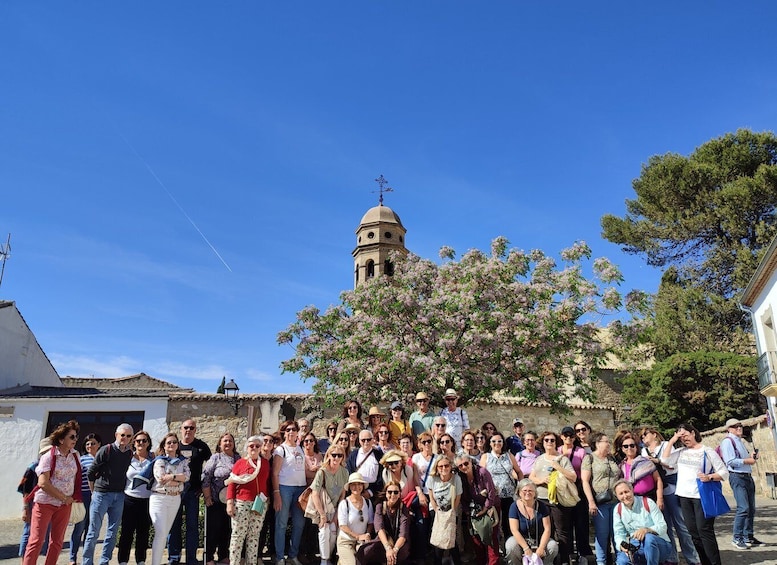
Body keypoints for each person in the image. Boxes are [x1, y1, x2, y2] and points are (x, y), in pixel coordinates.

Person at [661, 423, 728, 565]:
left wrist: (709, 477)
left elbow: (724, 472)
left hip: (701, 497)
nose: (684, 439)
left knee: (704, 531)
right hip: (684, 496)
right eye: (681, 437)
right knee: (693, 532)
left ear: (693, 433)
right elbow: (665, 460)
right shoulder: (681, 452)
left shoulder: (707, 451)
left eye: (685, 435)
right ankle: (704, 562)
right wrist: (673, 440)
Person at [22, 420, 82, 565]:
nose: (75, 440)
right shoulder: (48, 456)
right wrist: (63, 497)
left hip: (65, 505)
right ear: (61, 439)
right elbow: (43, 483)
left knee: (57, 541)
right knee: (36, 540)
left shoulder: (75, 455)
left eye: (76, 436)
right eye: (71, 437)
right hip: (45, 503)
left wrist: (72, 498)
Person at [641, 426, 699, 565]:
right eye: (641, 436)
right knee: (665, 526)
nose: (643, 437)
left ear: (654, 434)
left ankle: (692, 558)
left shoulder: (667, 445)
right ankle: (672, 557)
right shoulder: (644, 451)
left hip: (672, 488)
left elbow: (673, 465)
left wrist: (658, 461)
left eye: (645, 434)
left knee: (681, 525)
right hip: (657, 491)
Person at [83, 423, 134, 565]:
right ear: (116, 435)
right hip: (102, 495)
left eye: (128, 435)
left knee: (112, 532)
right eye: (122, 435)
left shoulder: (129, 453)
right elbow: (91, 472)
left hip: (119, 496)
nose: (125, 438)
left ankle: (104, 561)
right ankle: (87, 562)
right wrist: (94, 492)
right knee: (93, 532)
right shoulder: (106, 450)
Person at [529, 431, 577, 565]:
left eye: (552, 440)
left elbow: (573, 477)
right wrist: (540, 480)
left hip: (557, 500)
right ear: (542, 443)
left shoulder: (562, 459)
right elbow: (532, 477)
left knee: (561, 531)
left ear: (556, 443)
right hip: (541, 499)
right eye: (546, 440)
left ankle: (564, 561)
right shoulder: (539, 459)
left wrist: (558, 467)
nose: (549, 442)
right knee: (544, 531)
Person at [169, 419, 212, 565]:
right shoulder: (175, 445)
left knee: (192, 527)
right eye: (186, 427)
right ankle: (174, 558)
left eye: (191, 428)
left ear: (195, 430)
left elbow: (210, 467)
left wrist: (203, 485)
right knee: (174, 525)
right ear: (181, 429)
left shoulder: (201, 447)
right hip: (175, 492)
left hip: (193, 493)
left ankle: (191, 559)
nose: (188, 430)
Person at [225, 436, 269, 565]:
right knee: (238, 536)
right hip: (242, 503)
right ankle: (234, 562)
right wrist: (229, 502)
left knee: (254, 536)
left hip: (259, 503)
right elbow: (232, 483)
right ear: (247, 448)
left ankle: (251, 562)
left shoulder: (265, 463)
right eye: (251, 446)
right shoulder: (240, 463)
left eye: (257, 446)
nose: (254, 448)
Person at [720, 417, 761, 549]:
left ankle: (748, 536)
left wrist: (752, 457)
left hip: (747, 476)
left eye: (740, 425)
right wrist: (747, 461)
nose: (739, 427)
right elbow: (730, 461)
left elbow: (744, 458)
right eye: (735, 426)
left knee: (751, 509)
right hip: (737, 477)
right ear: (729, 429)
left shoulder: (740, 441)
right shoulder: (727, 442)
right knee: (743, 508)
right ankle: (737, 538)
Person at [149, 433, 191, 565]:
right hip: (159, 498)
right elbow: (161, 479)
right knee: (161, 533)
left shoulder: (183, 461)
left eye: (174, 442)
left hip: (175, 499)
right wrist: (178, 479)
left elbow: (187, 476)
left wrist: (172, 477)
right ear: (164, 446)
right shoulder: (160, 461)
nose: (171, 445)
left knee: (165, 532)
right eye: (169, 443)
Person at [612, 480, 674, 565]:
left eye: (626, 492)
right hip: (636, 545)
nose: (625, 496)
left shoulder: (647, 502)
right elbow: (618, 533)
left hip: (660, 544)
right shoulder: (617, 509)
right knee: (622, 561)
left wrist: (647, 530)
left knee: (648, 538)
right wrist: (621, 544)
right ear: (617, 496)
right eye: (621, 494)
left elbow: (662, 526)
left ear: (632, 490)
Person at [581, 433, 620, 565]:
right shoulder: (589, 458)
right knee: (602, 534)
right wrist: (591, 502)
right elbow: (585, 481)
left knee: (617, 533)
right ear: (597, 443)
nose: (608, 444)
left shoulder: (612, 458)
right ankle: (601, 562)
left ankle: (621, 560)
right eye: (606, 441)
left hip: (616, 501)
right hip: (600, 502)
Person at [202, 433, 241, 565]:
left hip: (233, 501)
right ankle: (209, 558)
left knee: (227, 530)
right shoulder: (215, 458)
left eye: (230, 441)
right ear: (220, 444)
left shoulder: (238, 458)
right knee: (214, 530)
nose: (228, 443)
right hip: (215, 500)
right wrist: (207, 497)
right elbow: (206, 477)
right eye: (225, 441)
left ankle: (224, 555)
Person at [117, 430, 155, 565]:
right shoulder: (128, 458)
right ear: (134, 442)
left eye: (144, 440)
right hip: (129, 499)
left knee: (143, 532)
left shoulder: (153, 459)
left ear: (148, 443)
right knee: (126, 532)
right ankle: (123, 560)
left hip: (146, 500)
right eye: (138, 440)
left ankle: (141, 560)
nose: (141, 443)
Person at [272, 420, 306, 565]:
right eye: (287, 430)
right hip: (285, 488)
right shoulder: (280, 450)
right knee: (281, 523)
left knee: (299, 524)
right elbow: (275, 474)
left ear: (297, 432)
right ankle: (280, 557)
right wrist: (277, 493)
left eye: (293, 429)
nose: (291, 432)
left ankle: (293, 555)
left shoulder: (300, 449)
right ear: (284, 433)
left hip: (300, 489)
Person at [456, 455, 500, 565]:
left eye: (466, 463)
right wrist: (468, 511)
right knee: (476, 538)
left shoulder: (482, 472)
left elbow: (491, 492)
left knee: (490, 538)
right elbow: (462, 497)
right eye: (460, 465)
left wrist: (486, 508)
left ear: (471, 462)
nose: (464, 467)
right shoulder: (460, 477)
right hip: (473, 510)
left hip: (489, 507)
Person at [558, 425, 593, 562]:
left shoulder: (581, 452)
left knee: (580, 521)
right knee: (565, 522)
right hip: (563, 489)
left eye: (571, 436)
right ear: (561, 437)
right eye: (565, 435)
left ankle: (582, 552)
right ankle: (568, 552)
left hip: (577, 488)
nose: (568, 438)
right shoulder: (558, 450)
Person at [505, 479, 559, 565]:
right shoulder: (514, 507)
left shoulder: (542, 506)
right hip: (522, 541)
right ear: (519, 492)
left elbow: (547, 529)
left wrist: (541, 547)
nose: (527, 493)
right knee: (510, 545)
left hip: (540, 540)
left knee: (552, 546)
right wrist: (526, 548)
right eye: (524, 490)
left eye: (530, 490)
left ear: (535, 493)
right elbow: (514, 530)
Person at [311, 445, 349, 565]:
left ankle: (328, 558)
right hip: (322, 507)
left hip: (335, 507)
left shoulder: (344, 472)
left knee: (333, 533)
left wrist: (338, 513)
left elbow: (343, 494)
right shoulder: (322, 472)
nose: (336, 458)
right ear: (328, 455)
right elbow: (315, 494)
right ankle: (323, 560)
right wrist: (322, 514)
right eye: (334, 455)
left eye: (340, 455)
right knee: (324, 531)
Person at [480, 431, 522, 541]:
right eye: (494, 441)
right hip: (493, 496)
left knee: (509, 523)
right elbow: (480, 476)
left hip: (509, 495)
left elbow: (519, 472)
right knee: (494, 522)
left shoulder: (509, 456)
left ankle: (509, 546)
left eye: (499, 441)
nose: (497, 443)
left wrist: (521, 486)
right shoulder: (486, 457)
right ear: (489, 443)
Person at [357, 481, 411, 565]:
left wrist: (394, 550)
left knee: (401, 554)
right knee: (365, 551)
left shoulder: (403, 509)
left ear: (400, 494)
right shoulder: (380, 506)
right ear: (386, 493)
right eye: (390, 492)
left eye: (396, 492)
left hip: (398, 542)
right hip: (383, 541)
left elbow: (403, 534)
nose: (392, 495)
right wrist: (388, 548)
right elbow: (379, 528)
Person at [69, 433, 101, 565]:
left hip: (98, 496)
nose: (90, 446)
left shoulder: (103, 459)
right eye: (87, 444)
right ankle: (72, 557)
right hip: (84, 496)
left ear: (99, 445)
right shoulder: (81, 460)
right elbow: (75, 479)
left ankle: (87, 559)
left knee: (91, 529)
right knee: (79, 527)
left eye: (93, 443)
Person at [427, 455, 462, 565]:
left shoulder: (456, 478)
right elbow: (431, 495)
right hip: (437, 511)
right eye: (440, 466)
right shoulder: (432, 479)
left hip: (451, 510)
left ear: (450, 466)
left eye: (446, 465)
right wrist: (436, 509)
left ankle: (456, 561)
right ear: (437, 468)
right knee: (439, 539)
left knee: (450, 538)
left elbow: (458, 497)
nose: (443, 468)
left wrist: (451, 512)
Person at [336, 472, 375, 565]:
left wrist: (368, 534)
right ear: (349, 487)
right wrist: (357, 536)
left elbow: (370, 522)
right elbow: (342, 526)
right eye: (353, 485)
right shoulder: (344, 503)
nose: (356, 487)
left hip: (361, 542)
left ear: (363, 486)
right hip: (346, 541)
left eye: (359, 484)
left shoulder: (368, 502)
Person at [301, 432, 323, 564]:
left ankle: (312, 552)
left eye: (311, 441)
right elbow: (305, 474)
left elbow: (322, 472)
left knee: (314, 524)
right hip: (305, 492)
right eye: (306, 441)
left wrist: (315, 470)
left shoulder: (319, 455)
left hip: (317, 493)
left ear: (315, 442)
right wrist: (315, 470)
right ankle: (302, 552)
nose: (308, 443)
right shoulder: (301, 456)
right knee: (304, 524)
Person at [347, 429, 384, 498]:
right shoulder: (353, 455)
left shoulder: (378, 455)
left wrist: (371, 492)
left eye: (368, 439)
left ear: (372, 440)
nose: (366, 442)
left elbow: (381, 476)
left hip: (373, 492)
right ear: (359, 441)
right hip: (356, 490)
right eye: (363, 440)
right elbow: (349, 472)